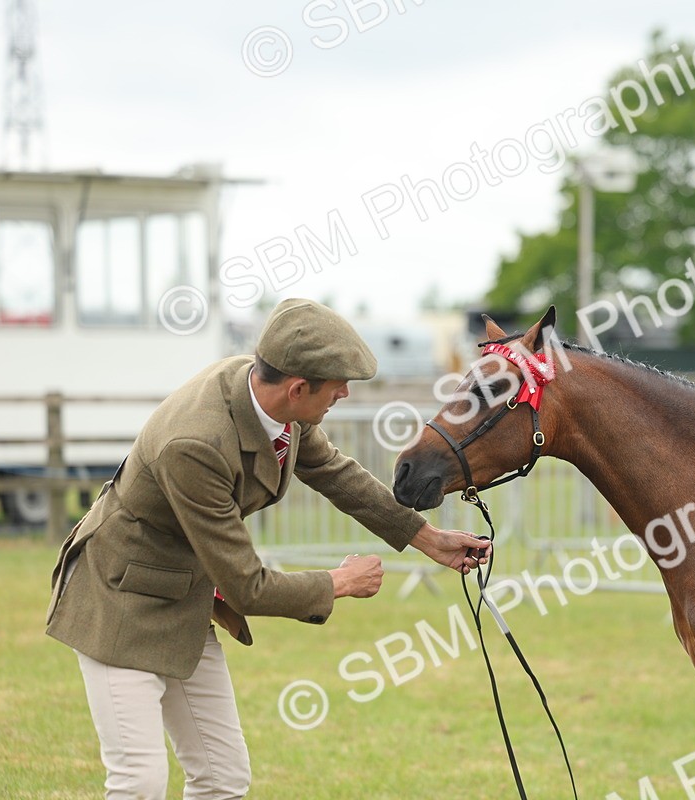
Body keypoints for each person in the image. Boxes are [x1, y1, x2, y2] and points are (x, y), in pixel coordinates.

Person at [45, 298, 489, 799]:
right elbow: (247, 586)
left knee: (223, 777)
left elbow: (330, 470)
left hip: (185, 598)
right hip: (118, 603)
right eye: (338, 384)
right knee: (139, 784)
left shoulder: (268, 396)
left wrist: (427, 538)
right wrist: (338, 583)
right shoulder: (194, 443)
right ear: (299, 388)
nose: (345, 393)